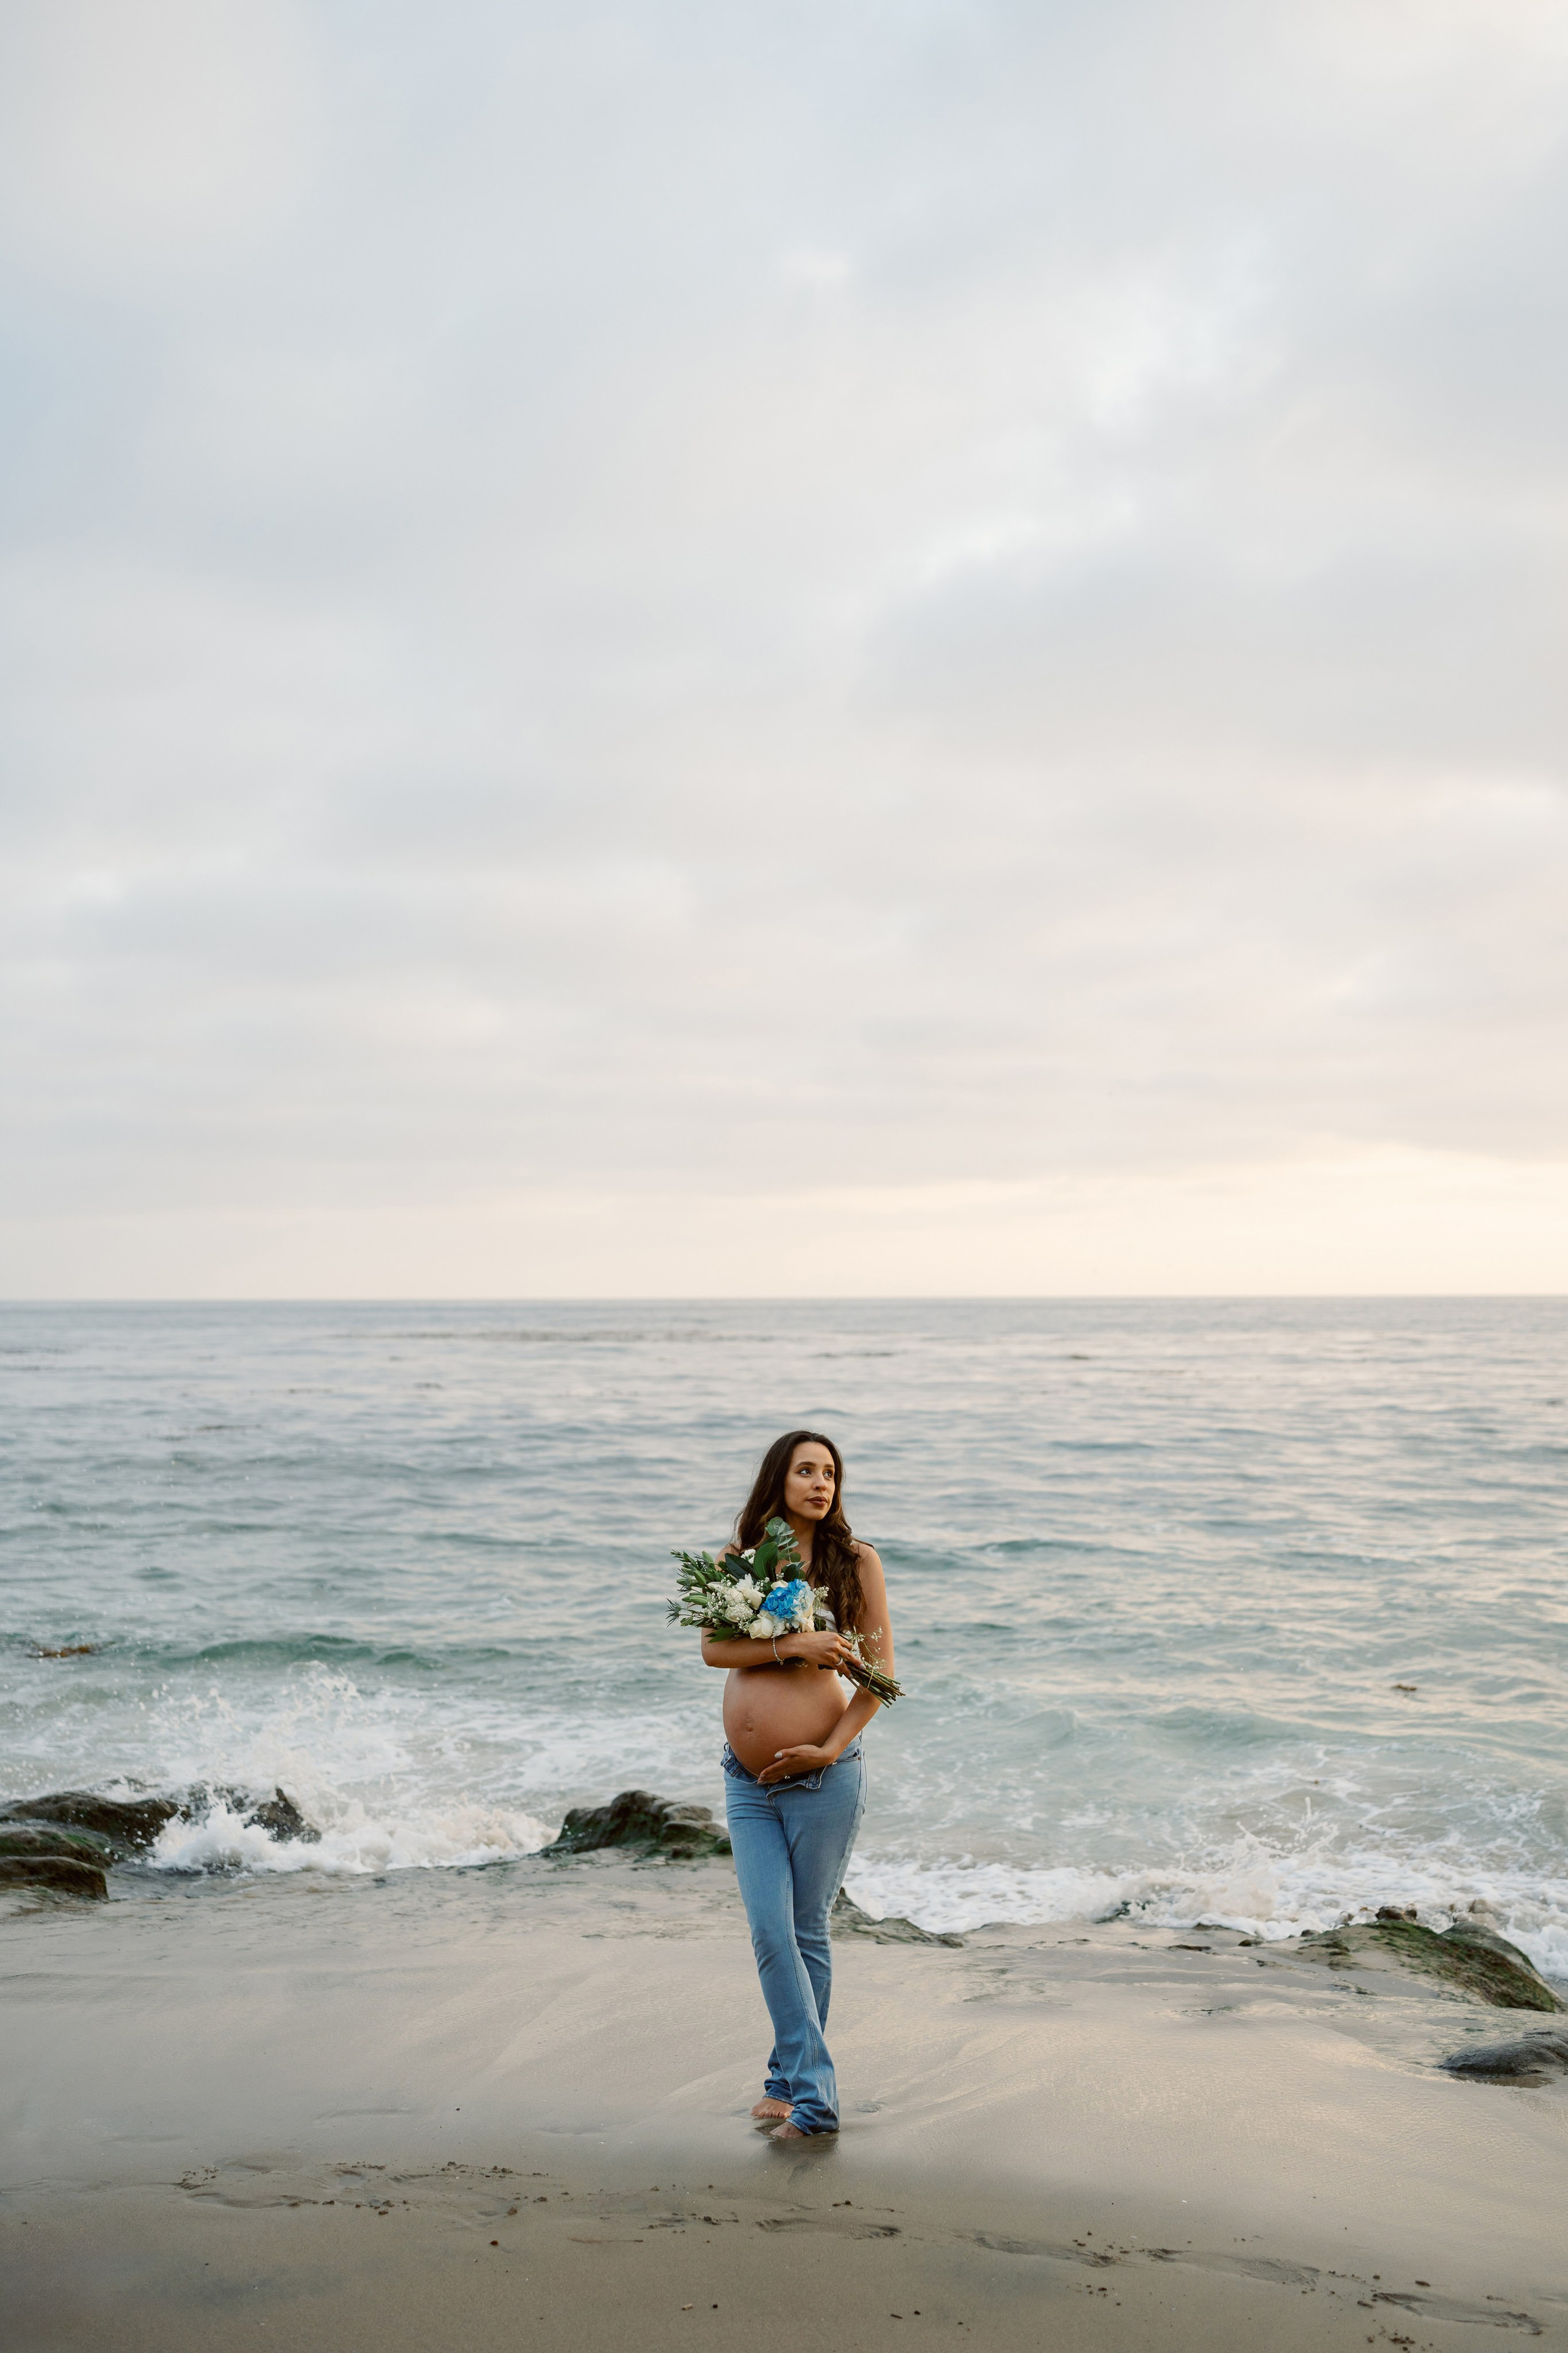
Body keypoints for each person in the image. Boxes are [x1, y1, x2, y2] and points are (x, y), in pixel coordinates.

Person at [701, 1429, 894, 2141]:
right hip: (746, 1782)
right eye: (806, 1470)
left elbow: (879, 1679)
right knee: (767, 1928)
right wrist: (793, 1645)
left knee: (804, 1930)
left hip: (824, 1780)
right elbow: (713, 1648)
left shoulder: (856, 1561)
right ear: (777, 1479)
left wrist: (826, 1749)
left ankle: (803, 2095)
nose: (821, 1483)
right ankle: (798, 2080)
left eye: (831, 1473)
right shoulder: (738, 1560)